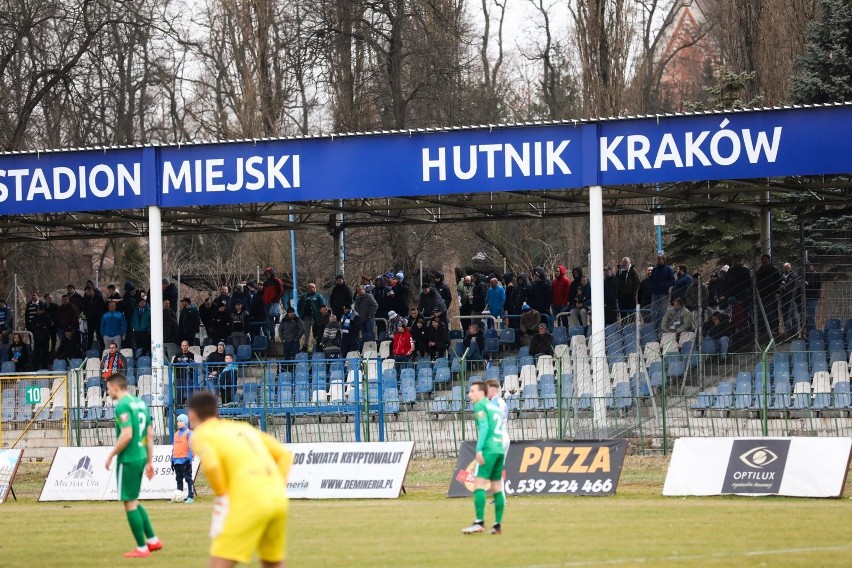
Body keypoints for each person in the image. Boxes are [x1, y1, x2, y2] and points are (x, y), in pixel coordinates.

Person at [188, 390, 292, 568]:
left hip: (249, 500)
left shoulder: (202, 434)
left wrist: (222, 495)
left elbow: (212, 465)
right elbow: (284, 455)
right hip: (277, 499)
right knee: (272, 563)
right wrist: (277, 487)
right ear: (217, 412)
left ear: (191, 414)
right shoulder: (242, 428)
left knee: (219, 562)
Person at [103, 373, 163, 558]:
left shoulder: (122, 405)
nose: (107, 392)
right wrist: (149, 461)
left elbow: (127, 434)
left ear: (114, 387)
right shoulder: (140, 403)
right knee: (134, 500)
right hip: (141, 456)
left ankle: (142, 548)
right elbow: (150, 435)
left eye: (107, 388)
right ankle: (152, 540)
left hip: (128, 458)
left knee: (129, 502)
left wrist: (111, 454)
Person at [462, 381, 505, 535]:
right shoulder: (494, 407)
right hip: (499, 449)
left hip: (488, 449)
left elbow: (485, 427)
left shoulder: (480, 405)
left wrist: (479, 449)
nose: (470, 394)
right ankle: (497, 525)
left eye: (472, 391)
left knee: (478, 485)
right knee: (496, 488)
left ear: (481, 393)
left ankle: (479, 522)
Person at [171, 413, 195, 504]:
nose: (178, 423)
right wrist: (172, 460)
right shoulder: (176, 434)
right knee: (179, 478)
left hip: (185, 460)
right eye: (177, 421)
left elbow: (191, 447)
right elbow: (174, 447)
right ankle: (179, 496)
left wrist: (188, 460)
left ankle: (190, 496)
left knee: (188, 478)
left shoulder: (189, 433)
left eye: (180, 421)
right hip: (177, 460)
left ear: (185, 422)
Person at [755, 254, 781, 336]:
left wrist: (777, 292)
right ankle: (762, 330)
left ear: (769, 260)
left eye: (765, 259)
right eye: (762, 260)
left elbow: (778, 283)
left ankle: (773, 329)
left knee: (771, 313)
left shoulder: (774, 270)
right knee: (761, 314)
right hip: (760, 296)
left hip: (771, 296)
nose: (763, 261)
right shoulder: (759, 271)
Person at [296, 283, 326, 351]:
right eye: (310, 287)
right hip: (306, 318)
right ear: (308, 288)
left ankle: (317, 345)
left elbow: (323, 306)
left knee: (317, 333)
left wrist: (321, 315)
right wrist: (300, 314)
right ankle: (306, 346)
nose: (312, 289)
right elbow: (299, 306)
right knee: (306, 333)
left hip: (316, 318)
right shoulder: (304, 296)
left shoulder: (319, 296)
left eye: (313, 287)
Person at [649, 253, 675, 331]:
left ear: (663, 260)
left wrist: (665, 285)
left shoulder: (668, 269)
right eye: (657, 259)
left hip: (664, 293)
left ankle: (662, 326)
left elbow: (672, 281)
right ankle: (654, 327)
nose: (658, 260)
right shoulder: (655, 269)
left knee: (663, 311)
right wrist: (652, 286)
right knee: (653, 311)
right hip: (655, 293)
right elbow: (651, 279)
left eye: (660, 259)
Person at [172, 340, 197, 406]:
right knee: (179, 392)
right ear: (181, 346)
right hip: (179, 376)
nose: (184, 347)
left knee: (189, 391)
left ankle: (190, 406)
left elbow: (192, 364)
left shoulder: (191, 355)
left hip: (188, 376)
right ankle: (179, 406)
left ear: (188, 346)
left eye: (185, 345)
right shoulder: (178, 355)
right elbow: (174, 364)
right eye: (183, 345)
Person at [779, 262, 800, 338]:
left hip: (791, 298)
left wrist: (787, 289)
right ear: (783, 268)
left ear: (791, 268)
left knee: (794, 316)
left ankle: (795, 333)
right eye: (786, 268)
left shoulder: (794, 276)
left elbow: (796, 287)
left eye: (789, 268)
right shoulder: (780, 276)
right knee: (784, 316)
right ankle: (788, 331)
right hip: (783, 298)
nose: (787, 269)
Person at [804, 263, 822, 333]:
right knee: (806, 317)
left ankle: (813, 332)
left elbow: (818, 286)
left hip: (812, 297)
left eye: (809, 266)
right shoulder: (804, 274)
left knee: (810, 316)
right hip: (806, 297)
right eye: (806, 266)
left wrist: (807, 284)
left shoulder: (816, 274)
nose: (808, 268)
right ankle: (808, 332)